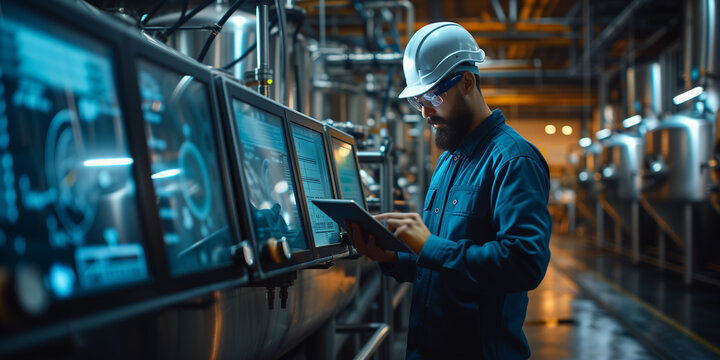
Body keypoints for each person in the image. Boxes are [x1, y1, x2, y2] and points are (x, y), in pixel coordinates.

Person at [346, 22, 552, 359]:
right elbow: (441, 266)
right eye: (418, 100)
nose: (426, 112)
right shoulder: (448, 162)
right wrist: (394, 258)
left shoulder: (514, 160)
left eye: (433, 96)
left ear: (468, 82)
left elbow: (524, 263)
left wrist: (429, 247)